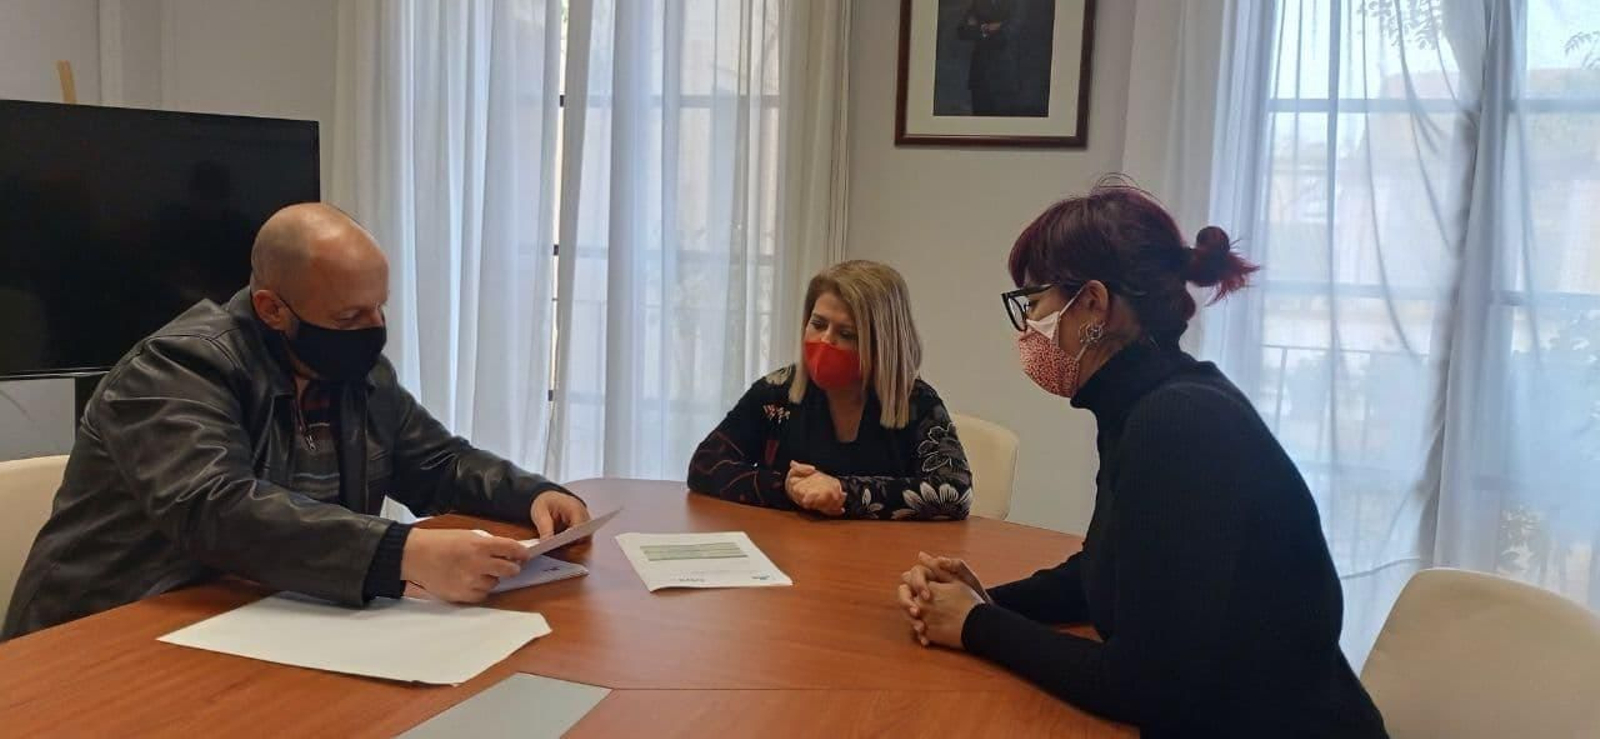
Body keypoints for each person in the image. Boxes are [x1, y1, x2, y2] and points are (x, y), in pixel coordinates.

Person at [894, 183, 1388, 737]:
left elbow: (1144, 685)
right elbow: (1107, 569)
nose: (1027, 326)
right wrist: (978, 602)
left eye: (1033, 303)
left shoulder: (1177, 425)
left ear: (1093, 305)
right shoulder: (1148, 403)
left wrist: (978, 624)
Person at [2, 203, 591, 640]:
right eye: (350, 314)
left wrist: (532, 494)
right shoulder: (177, 368)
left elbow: (437, 462)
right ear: (272, 309)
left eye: (379, 307)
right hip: (104, 633)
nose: (372, 327)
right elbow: (216, 509)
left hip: (257, 622)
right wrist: (402, 553)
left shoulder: (358, 371)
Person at [687, 260, 972, 520]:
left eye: (847, 334)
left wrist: (842, 489)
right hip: (790, 555)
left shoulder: (916, 402)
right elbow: (705, 466)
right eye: (818, 324)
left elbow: (954, 491)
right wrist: (787, 488)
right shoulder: (776, 394)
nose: (825, 341)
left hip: (886, 561)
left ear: (882, 344)